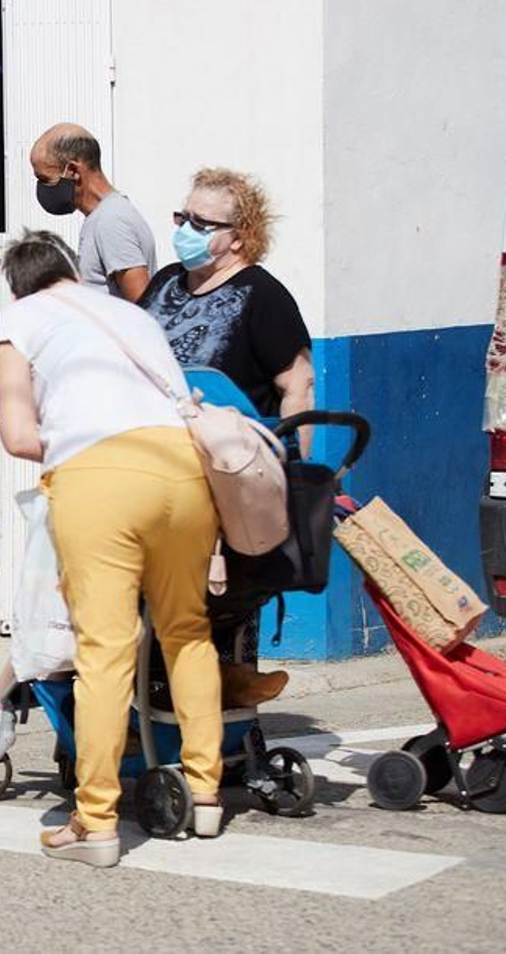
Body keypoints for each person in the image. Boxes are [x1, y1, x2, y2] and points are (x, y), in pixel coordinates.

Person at [0, 230, 224, 866]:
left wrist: (73, 439)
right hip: (183, 472)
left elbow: (17, 435)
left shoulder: (18, 319)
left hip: (100, 482)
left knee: (105, 651)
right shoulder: (130, 313)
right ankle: (205, 794)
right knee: (187, 631)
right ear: (70, 269)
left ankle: (95, 824)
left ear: (16, 285)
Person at [139, 167, 314, 702]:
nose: (185, 228)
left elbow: (298, 385)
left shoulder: (262, 296)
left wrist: (290, 475)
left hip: (230, 478)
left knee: (224, 606)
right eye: (181, 216)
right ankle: (151, 721)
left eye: (200, 221)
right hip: (157, 470)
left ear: (238, 236)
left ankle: (230, 739)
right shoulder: (166, 281)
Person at [29, 123, 156, 301]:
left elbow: (143, 307)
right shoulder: (103, 217)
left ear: (73, 171)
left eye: (45, 179)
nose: (42, 188)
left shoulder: (111, 221)